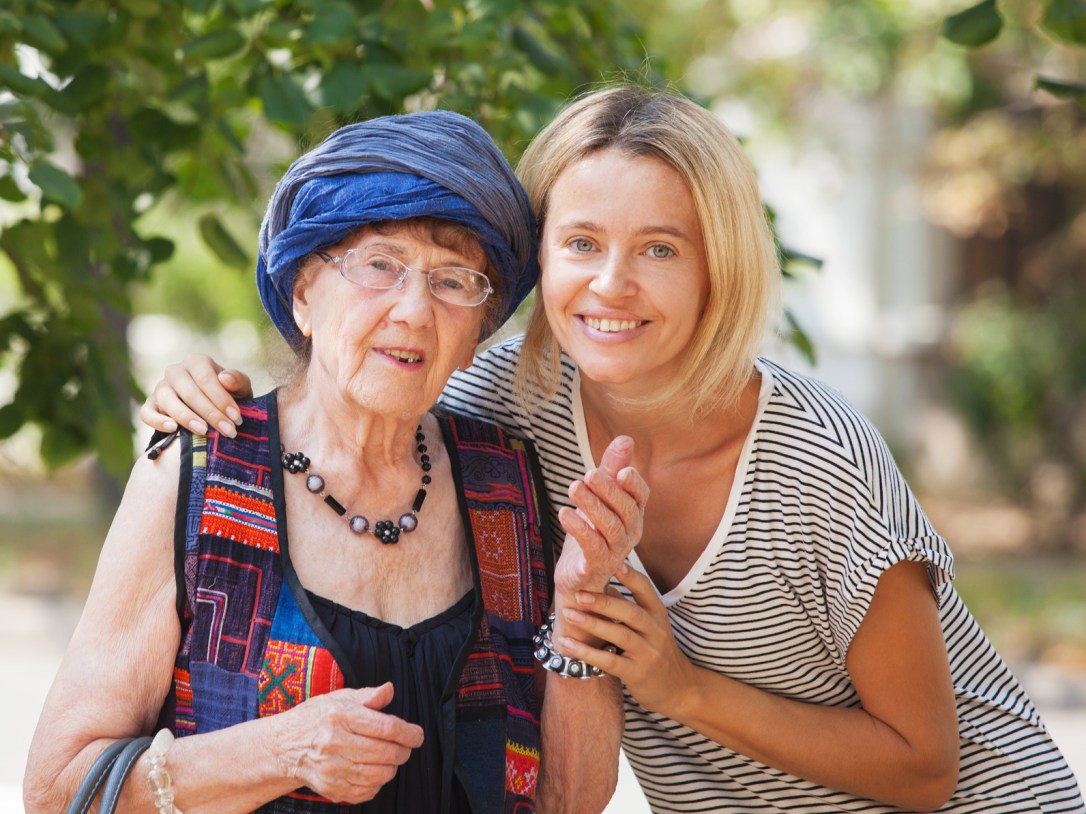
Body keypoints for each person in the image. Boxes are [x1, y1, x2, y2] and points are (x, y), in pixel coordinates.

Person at [140, 85, 1085, 813]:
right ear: (536, 261)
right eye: (581, 242)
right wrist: (205, 395)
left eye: (661, 249)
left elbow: (925, 766)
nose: (613, 286)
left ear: (720, 265)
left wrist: (677, 684)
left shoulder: (820, 461)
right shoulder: (503, 403)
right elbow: (359, 385)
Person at [24, 110, 649, 814]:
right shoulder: (199, 476)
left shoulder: (506, 485)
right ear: (302, 295)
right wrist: (279, 753)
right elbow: (58, 789)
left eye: (454, 281)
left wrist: (580, 607)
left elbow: (572, 800)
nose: (414, 310)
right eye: (380, 265)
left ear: (476, 336)